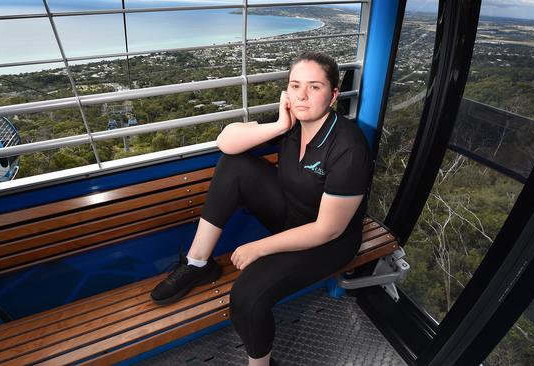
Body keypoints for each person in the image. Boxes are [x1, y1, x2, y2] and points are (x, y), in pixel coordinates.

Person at [150, 51, 371, 366]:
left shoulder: (349, 147)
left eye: (315, 87)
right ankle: (198, 263)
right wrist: (280, 125)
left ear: (333, 95)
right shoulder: (293, 121)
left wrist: (259, 247)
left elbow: (328, 228)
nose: (302, 96)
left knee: (247, 299)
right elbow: (226, 143)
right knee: (234, 164)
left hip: (328, 241)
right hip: (291, 216)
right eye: (295, 86)